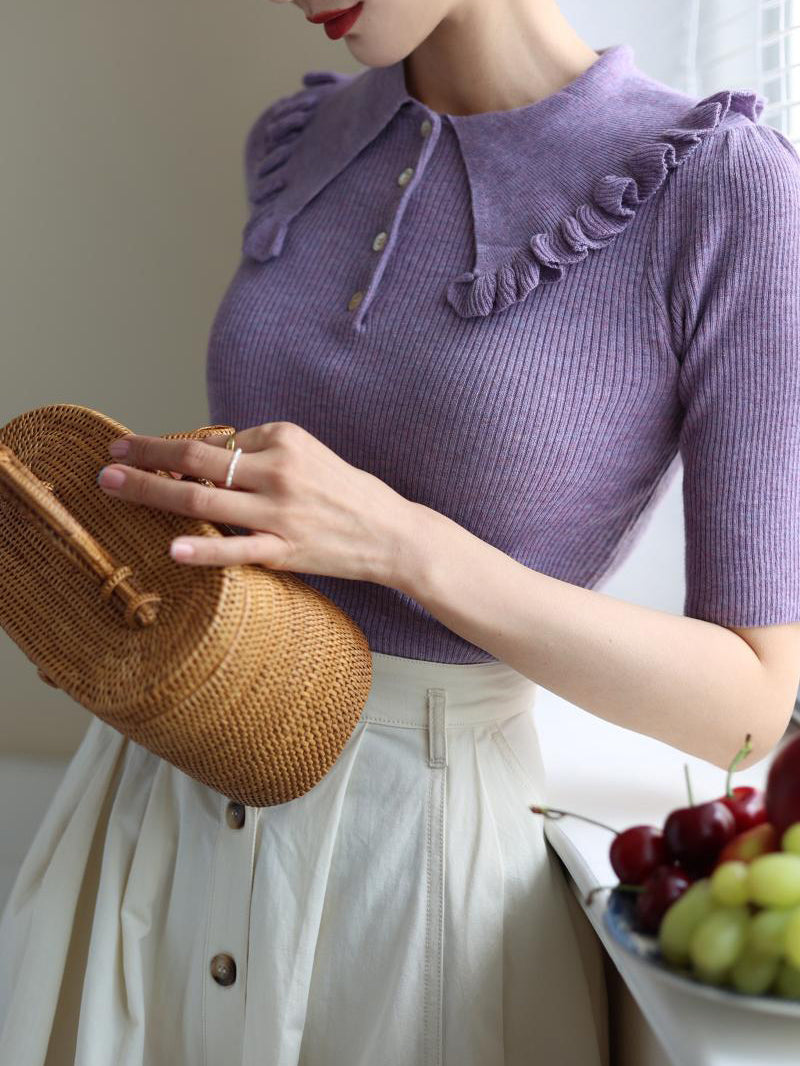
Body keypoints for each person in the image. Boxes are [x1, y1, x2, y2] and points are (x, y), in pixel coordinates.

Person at [3, 0, 800, 1062]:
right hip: (161, 810)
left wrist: (397, 541)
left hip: (409, 881)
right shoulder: (297, 141)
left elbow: (744, 709)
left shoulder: (721, 188)